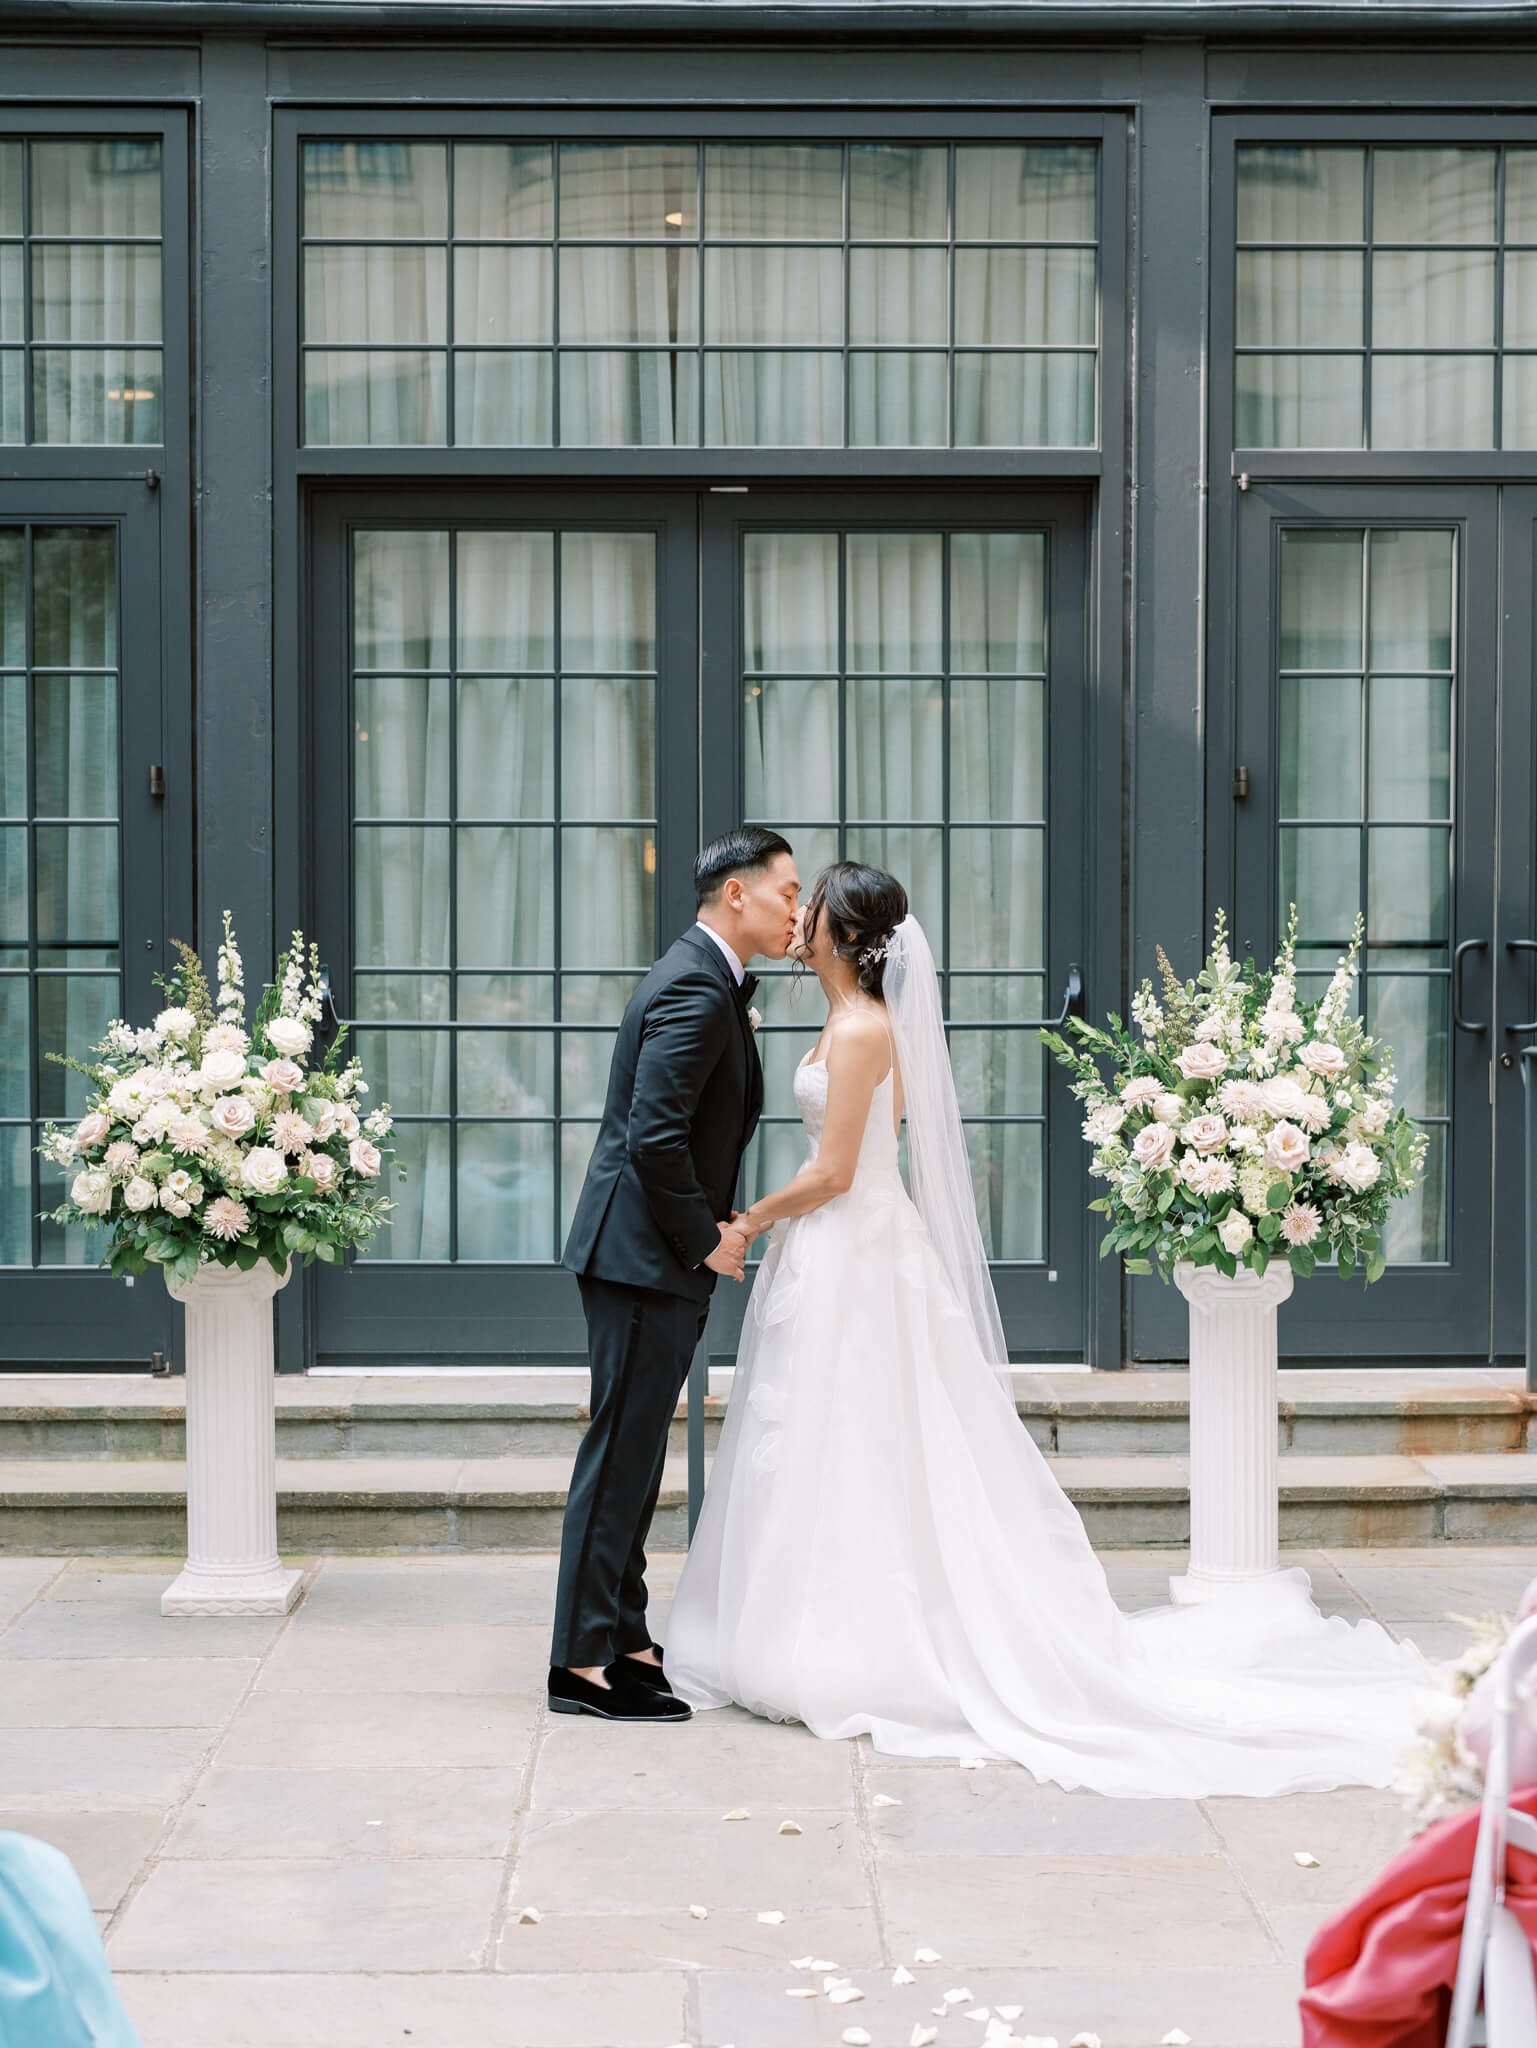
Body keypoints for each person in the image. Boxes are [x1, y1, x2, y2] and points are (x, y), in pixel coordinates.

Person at [664, 860, 1432, 1799]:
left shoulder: (864, 1029)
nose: (798, 915)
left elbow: (835, 1172)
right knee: (829, 1434)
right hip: (838, 1250)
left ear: (841, 933)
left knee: (867, 1430)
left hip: (852, 1245)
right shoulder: (843, 1020)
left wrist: (748, 1220)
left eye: (810, 904)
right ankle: (807, 1620)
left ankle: (863, 1641)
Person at [548, 827, 799, 1723]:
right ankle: (579, 1665)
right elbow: (653, 1137)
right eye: (785, 893)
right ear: (736, 894)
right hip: (642, 1257)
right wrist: (709, 1240)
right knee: (619, 1459)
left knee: (635, 1458)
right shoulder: (695, 985)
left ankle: (625, 1636)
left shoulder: (707, 978)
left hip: (646, 1255)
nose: (795, 911)